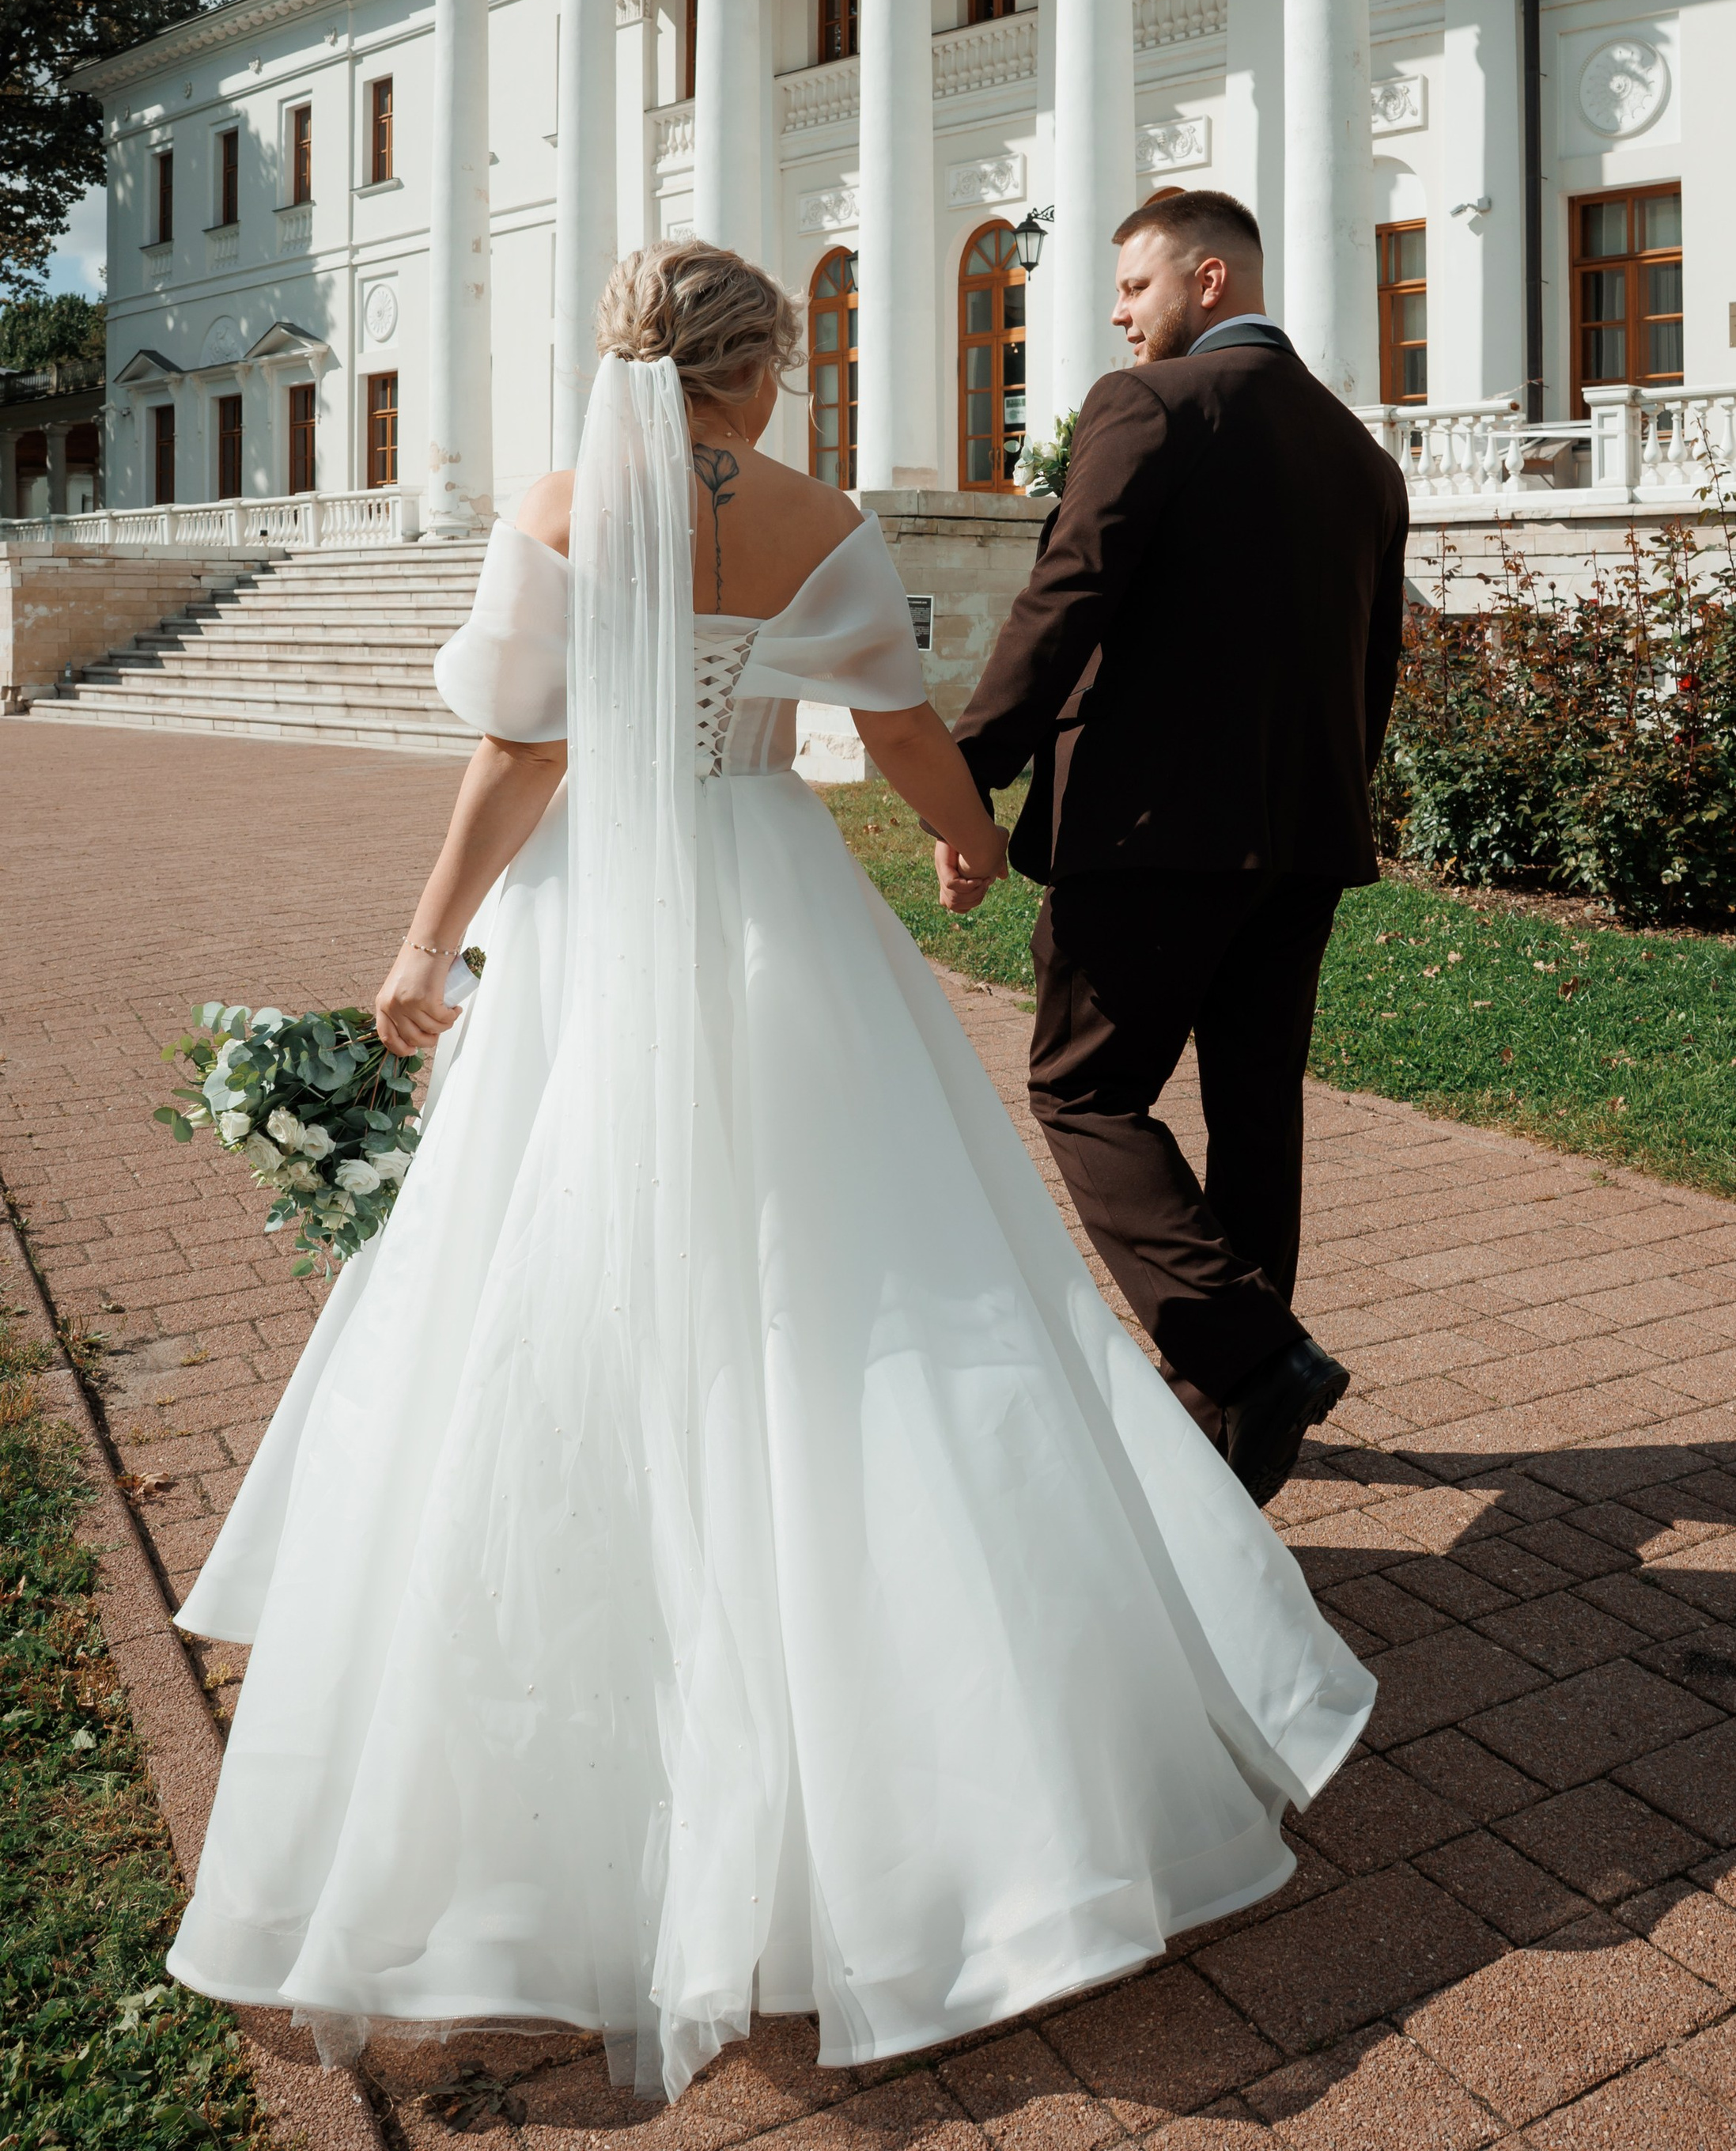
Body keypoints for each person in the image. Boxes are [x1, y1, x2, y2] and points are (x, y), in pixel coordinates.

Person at [165, 239, 1375, 2107]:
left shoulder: (561, 509)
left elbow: (519, 747)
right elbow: (892, 725)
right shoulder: (813, 514)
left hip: (593, 927)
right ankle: (932, 1753)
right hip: (764, 904)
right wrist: (963, 845)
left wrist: (425, 948)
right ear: (761, 369)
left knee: (545, 1268)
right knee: (853, 1278)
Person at [947, 192, 1410, 1509]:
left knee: (1083, 1092)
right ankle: (1232, 1426)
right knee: (1255, 1115)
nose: (1118, 313)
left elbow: (1067, 592)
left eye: (1136, 286)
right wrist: (1324, 810)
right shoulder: (1360, 454)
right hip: (1305, 838)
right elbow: (1370, 665)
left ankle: (1251, 1358)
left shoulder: (1148, 408)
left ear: (1210, 280)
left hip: (1147, 833)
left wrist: (967, 774)